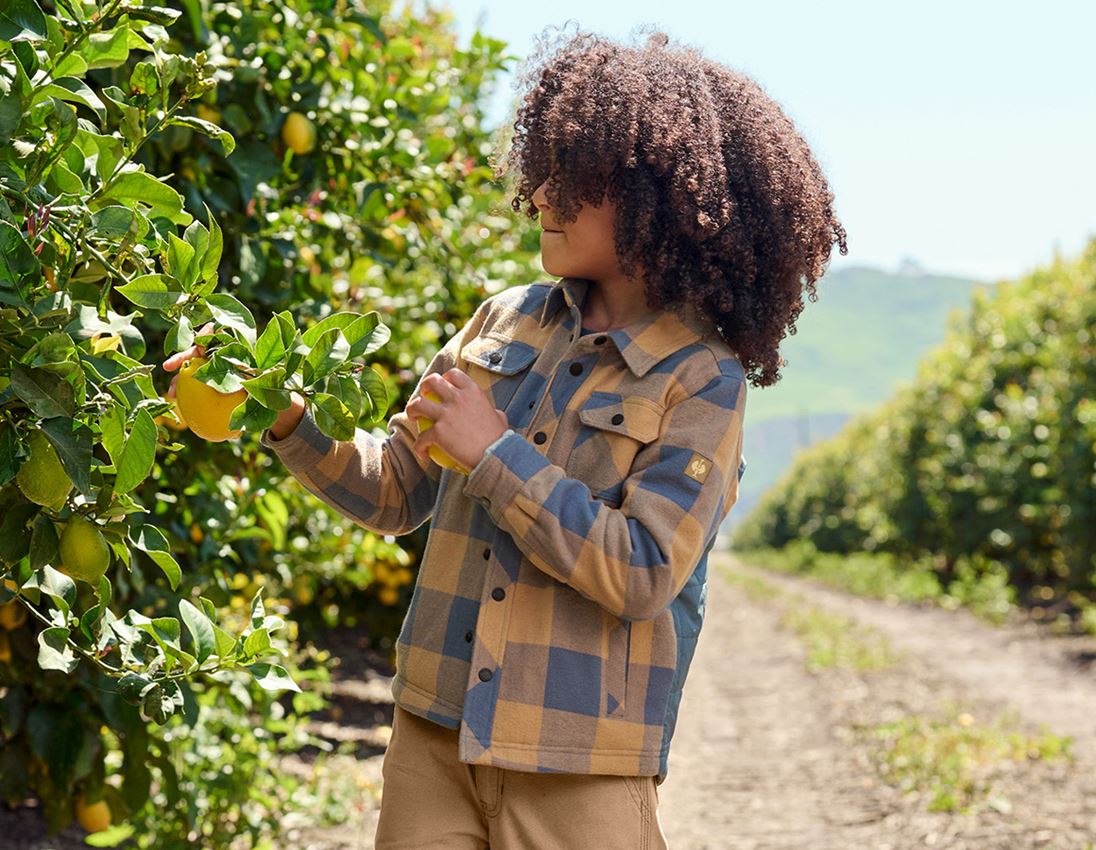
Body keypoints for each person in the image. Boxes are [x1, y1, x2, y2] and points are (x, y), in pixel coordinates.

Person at [165, 25, 846, 850]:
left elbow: (642, 572)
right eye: (546, 165)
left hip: (579, 764)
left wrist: (495, 455)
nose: (542, 193)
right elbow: (395, 491)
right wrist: (284, 419)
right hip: (434, 740)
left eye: (576, 176)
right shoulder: (503, 319)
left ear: (654, 201)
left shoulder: (701, 380)